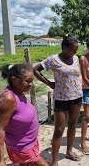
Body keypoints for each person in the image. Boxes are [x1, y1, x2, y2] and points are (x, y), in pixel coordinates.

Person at [33, 34, 83, 164]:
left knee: (72, 125)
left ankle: (69, 151)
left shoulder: (76, 58)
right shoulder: (53, 59)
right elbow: (35, 70)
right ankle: (54, 161)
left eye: (76, 50)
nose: (75, 52)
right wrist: (49, 83)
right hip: (61, 98)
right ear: (65, 47)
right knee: (59, 129)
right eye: (73, 49)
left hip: (77, 97)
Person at [0, 64, 48, 166]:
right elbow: (0, 129)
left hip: (29, 143)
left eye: (32, 81)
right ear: (14, 80)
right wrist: (1, 160)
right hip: (22, 147)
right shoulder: (8, 99)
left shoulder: (19, 91)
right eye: (27, 81)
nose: (32, 84)